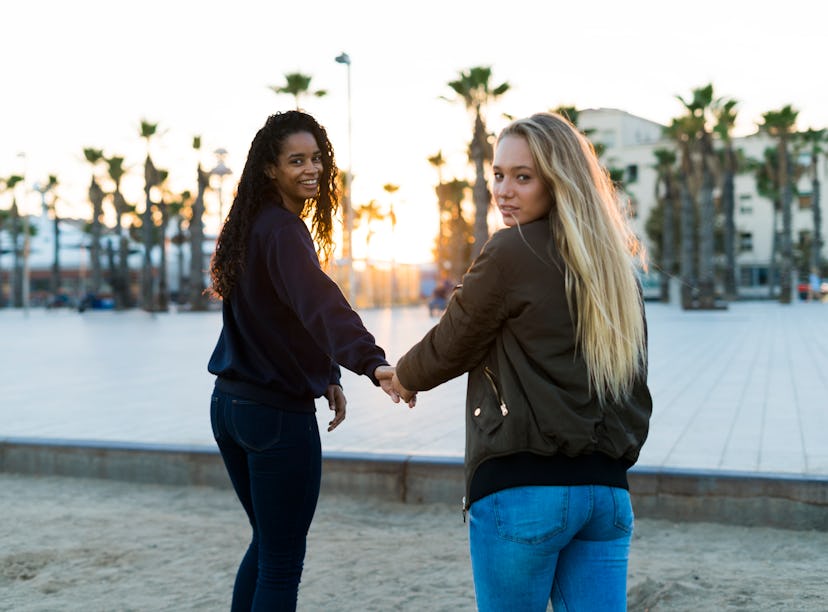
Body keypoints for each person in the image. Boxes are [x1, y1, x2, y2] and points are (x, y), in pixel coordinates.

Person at [383, 112, 653, 611]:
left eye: (522, 177)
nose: (504, 191)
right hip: (607, 495)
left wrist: (402, 377)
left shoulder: (511, 250)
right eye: (499, 176)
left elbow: (453, 340)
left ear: (559, 182)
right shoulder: (618, 266)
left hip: (524, 490)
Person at [206, 110, 401, 611]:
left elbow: (282, 318)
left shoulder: (252, 225)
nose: (311, 169)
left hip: (231, 406)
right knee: (283, 559)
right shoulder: (283, 231)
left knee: (267, 544)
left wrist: (327, 373)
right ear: (270, 169)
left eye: (316, 158)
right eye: (296, 160)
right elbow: (321, 304)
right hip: (273, 417)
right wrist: (372, 363)